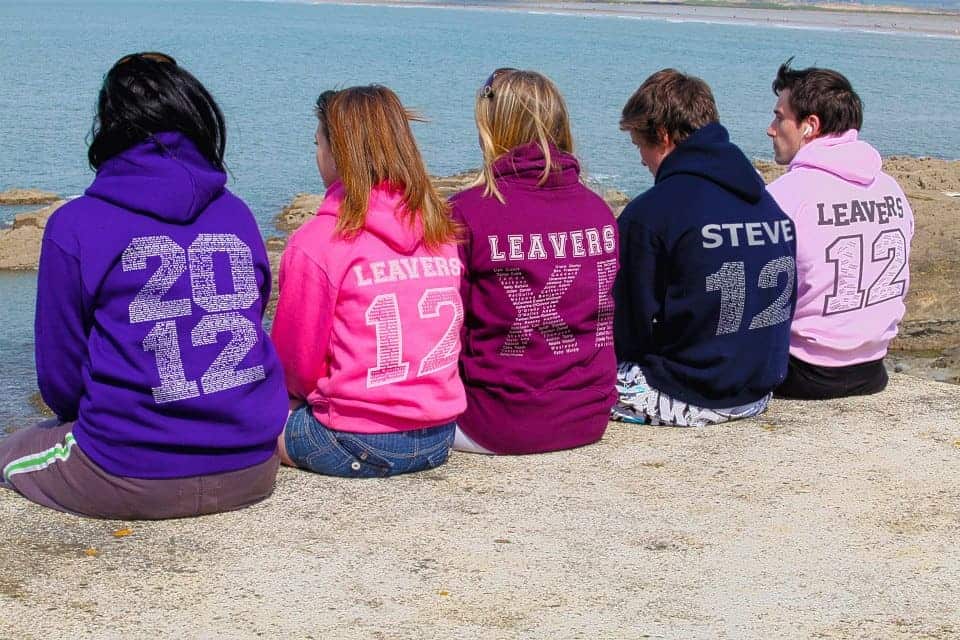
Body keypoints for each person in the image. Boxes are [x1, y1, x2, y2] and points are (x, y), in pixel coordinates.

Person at [0, 52, 288, 518]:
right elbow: (252, 316)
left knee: (12, 451)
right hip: (251, 467)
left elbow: (61, 378)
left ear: (108, 126)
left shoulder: (75, 224)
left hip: (124, 473)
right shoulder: (236, 213)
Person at [271, 86, 465, 477]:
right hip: (440, 434)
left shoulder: (318, 241)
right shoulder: (439, 230)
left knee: (249, 424)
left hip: (352, 440)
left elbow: (295, 367)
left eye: (318, 143)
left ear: (336, 152)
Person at [613, 69, 796, 426]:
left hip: (691, 394)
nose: (641, 160)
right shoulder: (767, 203)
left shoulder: (651, 214)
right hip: (757, 391)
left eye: (640, 146)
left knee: (568, 386)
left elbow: (627, 331)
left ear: (663, 136)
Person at [450, 69, 617, 455]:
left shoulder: (469, 212)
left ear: (493, 130)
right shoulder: (599, 212)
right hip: (588, 416)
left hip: (496, 421)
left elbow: (446, 329)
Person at [766, 59, 914, 399]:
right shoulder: (891, 189)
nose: (771, 128)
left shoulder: (786, 196)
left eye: (779, 116)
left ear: (809, 126)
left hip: (801, 371)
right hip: (872, 368)